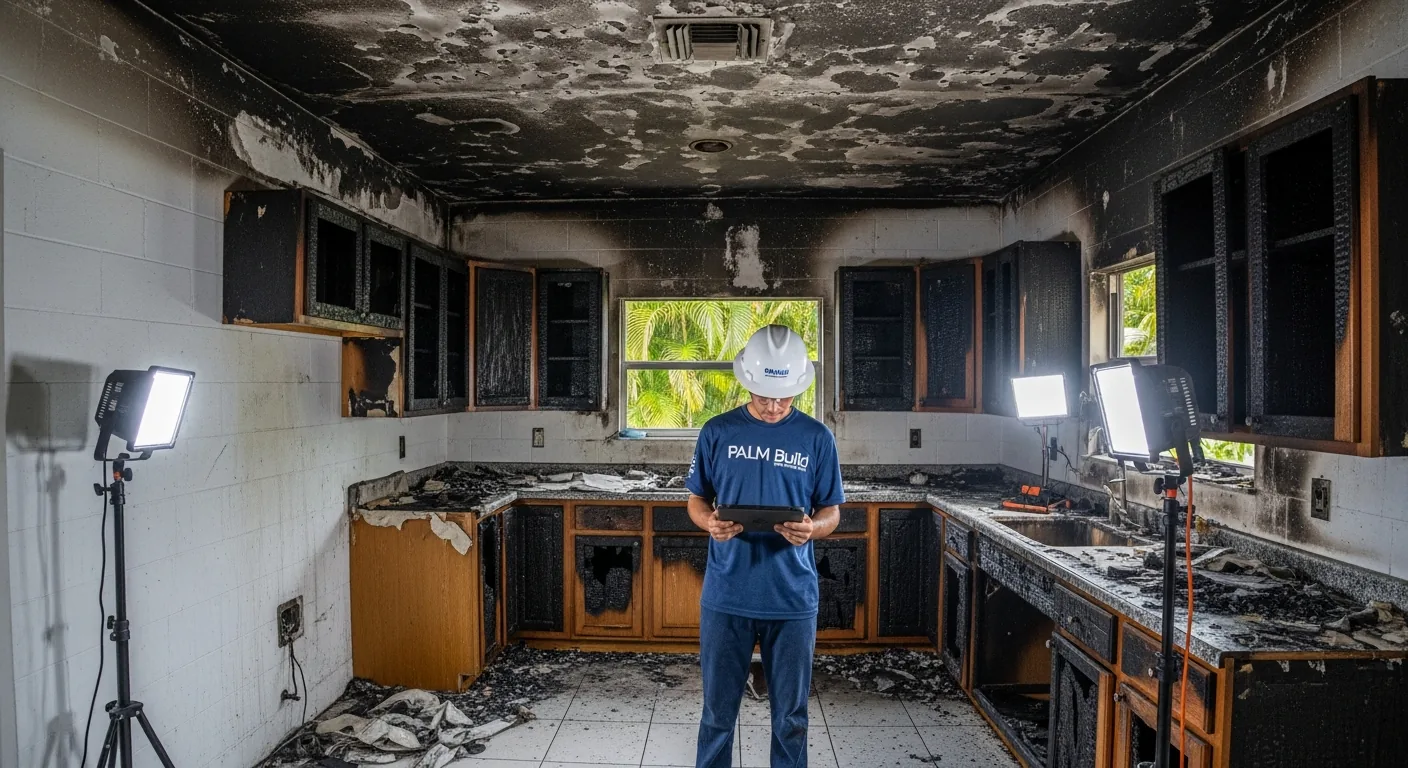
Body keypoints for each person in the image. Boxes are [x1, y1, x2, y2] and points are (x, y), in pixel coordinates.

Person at [687, 324, 844, 768]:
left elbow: (832, 511)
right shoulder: (717, 431)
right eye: (763, 397)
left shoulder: (818, 438)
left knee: (791, 717)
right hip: (726, 594)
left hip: (792, 597)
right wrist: (709, 523)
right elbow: (696, 500)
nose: (774, 407)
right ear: (746, 384)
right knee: (718, 715)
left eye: (784, 398)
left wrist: (813, 529)